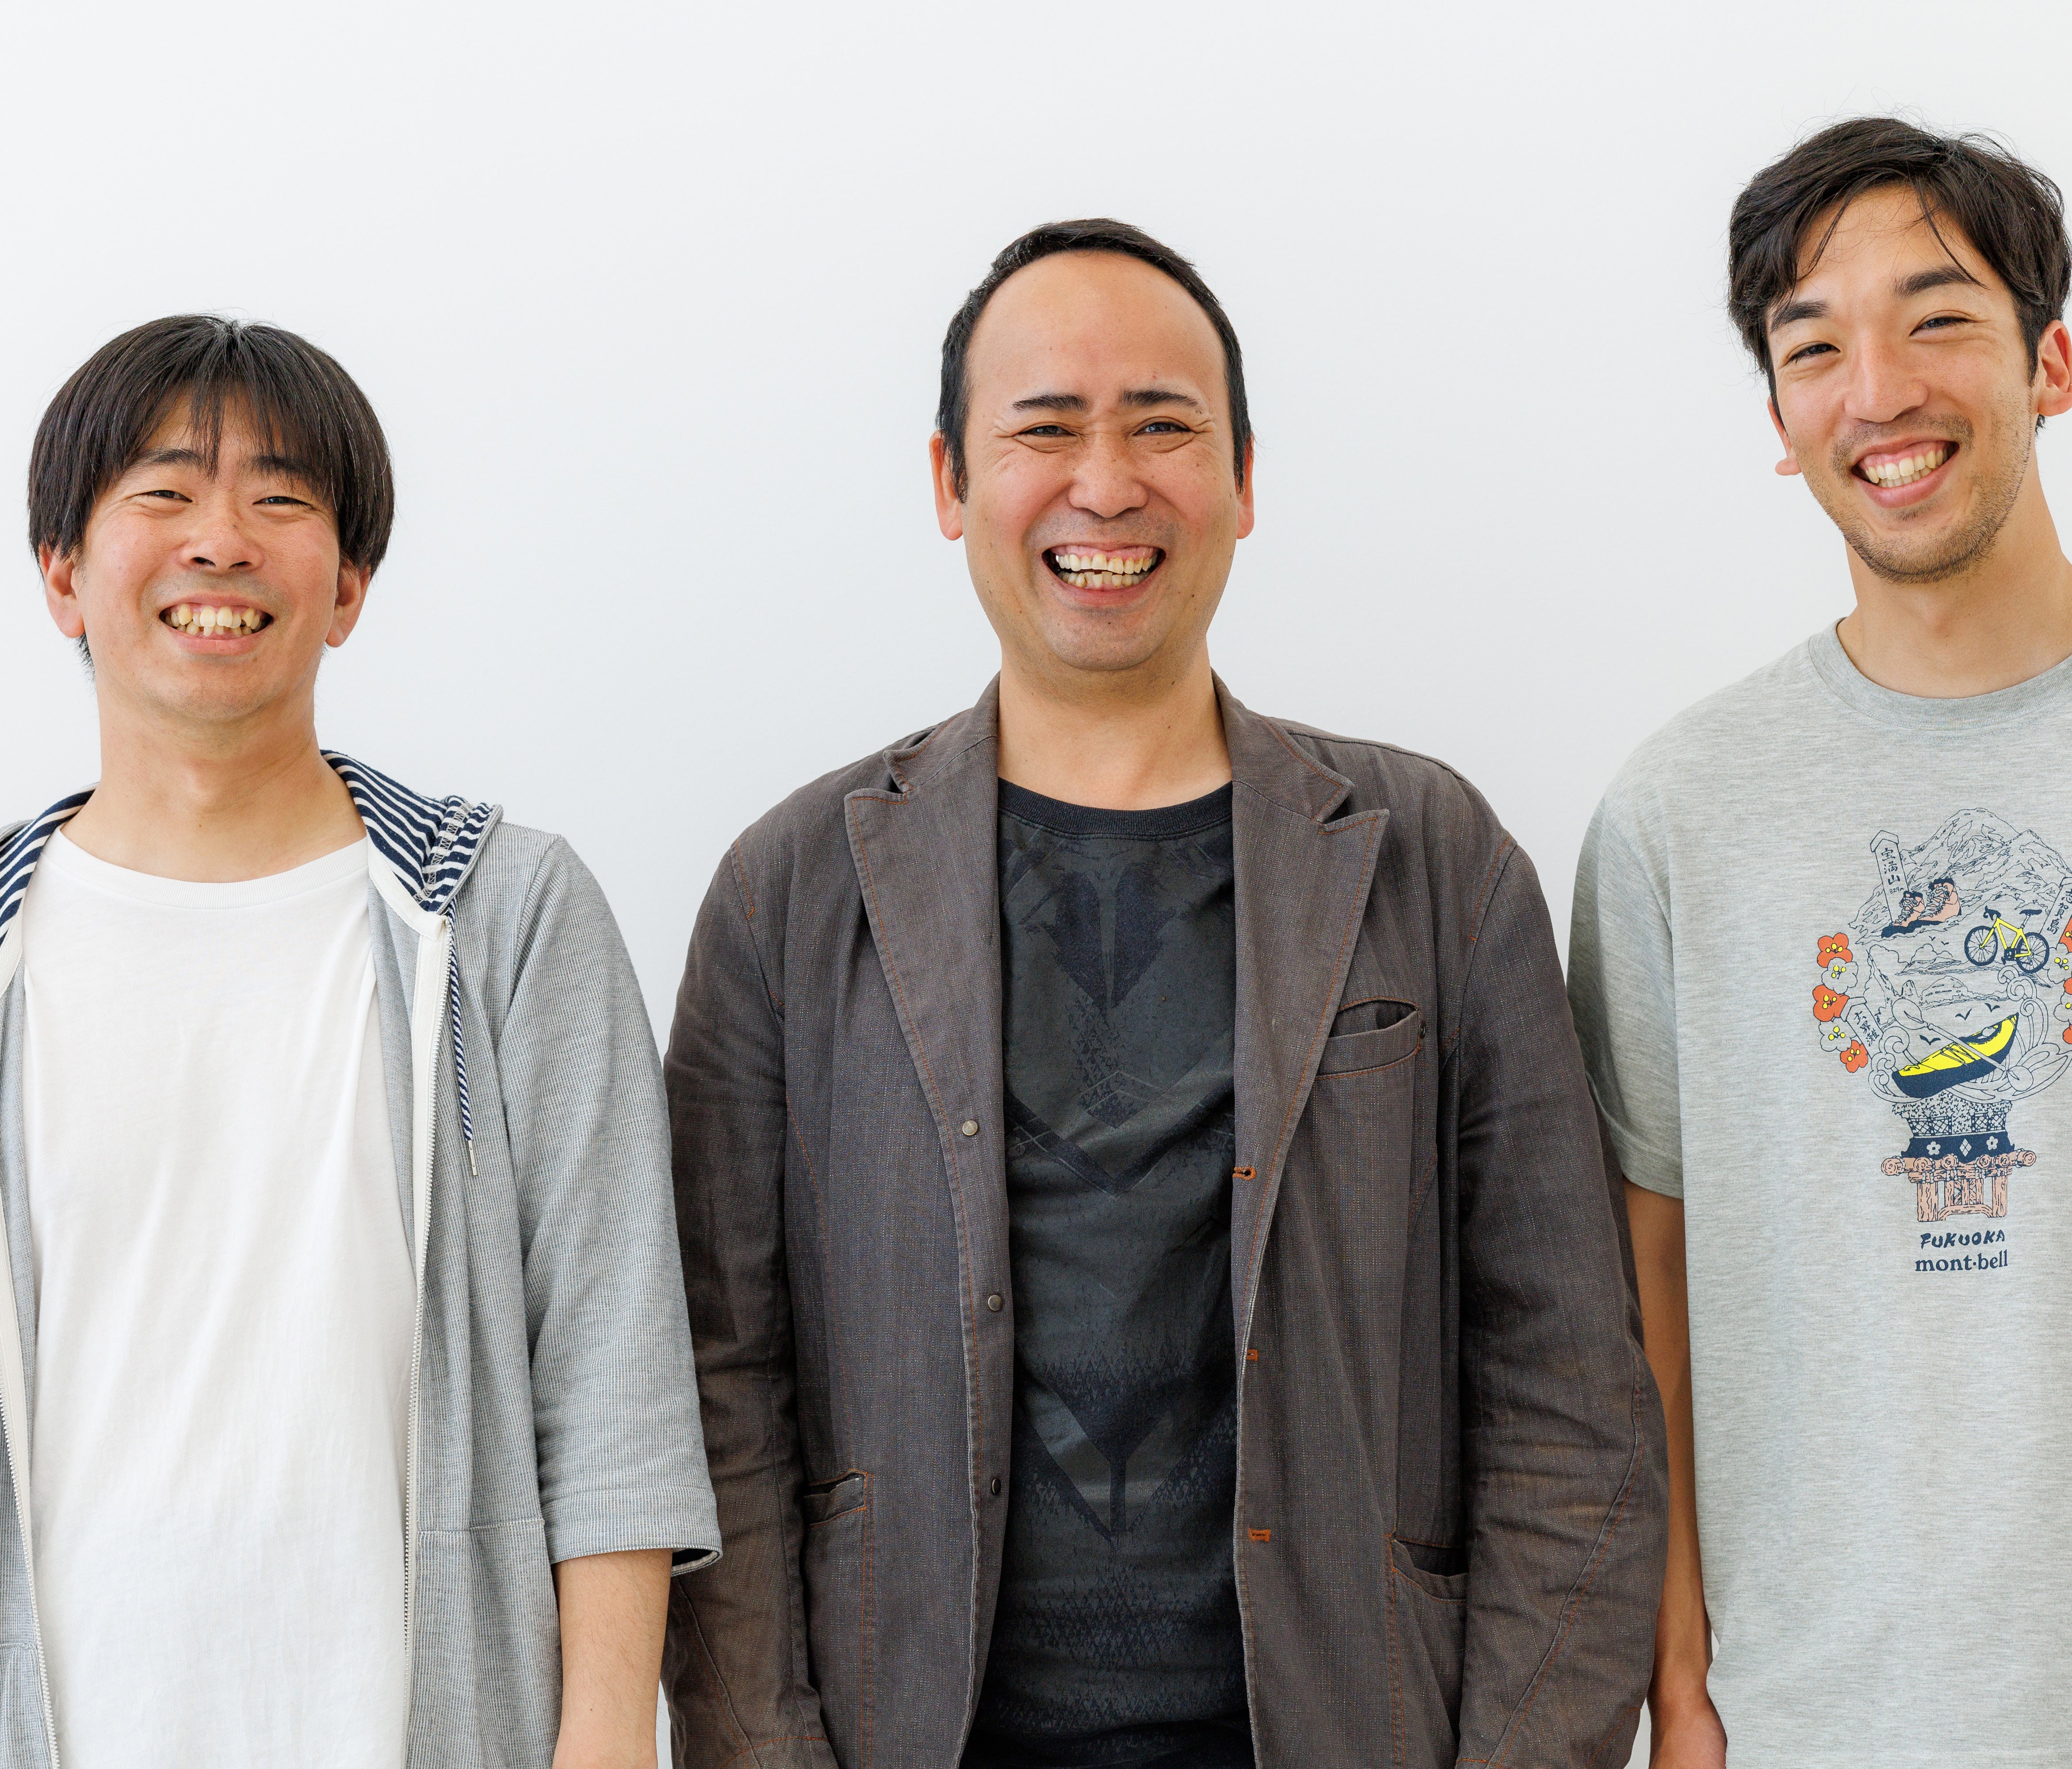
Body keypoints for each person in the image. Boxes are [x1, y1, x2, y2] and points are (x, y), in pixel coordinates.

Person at [660, 219, 1663, 1769]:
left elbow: (1568, 1390)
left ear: (1245, 480)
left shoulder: (1433, 860)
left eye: (1163, 427)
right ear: (949, 481)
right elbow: (716, 1402)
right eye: (1044, 429)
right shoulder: (789, 894)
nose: (1107, 484)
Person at [0, 316, 718, 1768]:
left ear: (349, 586)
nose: (220, 540)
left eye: (280, 499)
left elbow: (613, 1378)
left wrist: (604, 1747)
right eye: (162, 492)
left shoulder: (504, 919)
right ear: (62, 573)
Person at [1569, 119, 2072, 1767]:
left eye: (1937, 320)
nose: (1878, 390)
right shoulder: (1676, 812)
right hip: (1805, 1723)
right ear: (1781, 422)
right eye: (1814, 347)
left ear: (2049, 364)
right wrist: (1678, 1689)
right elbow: (1641, 1279)